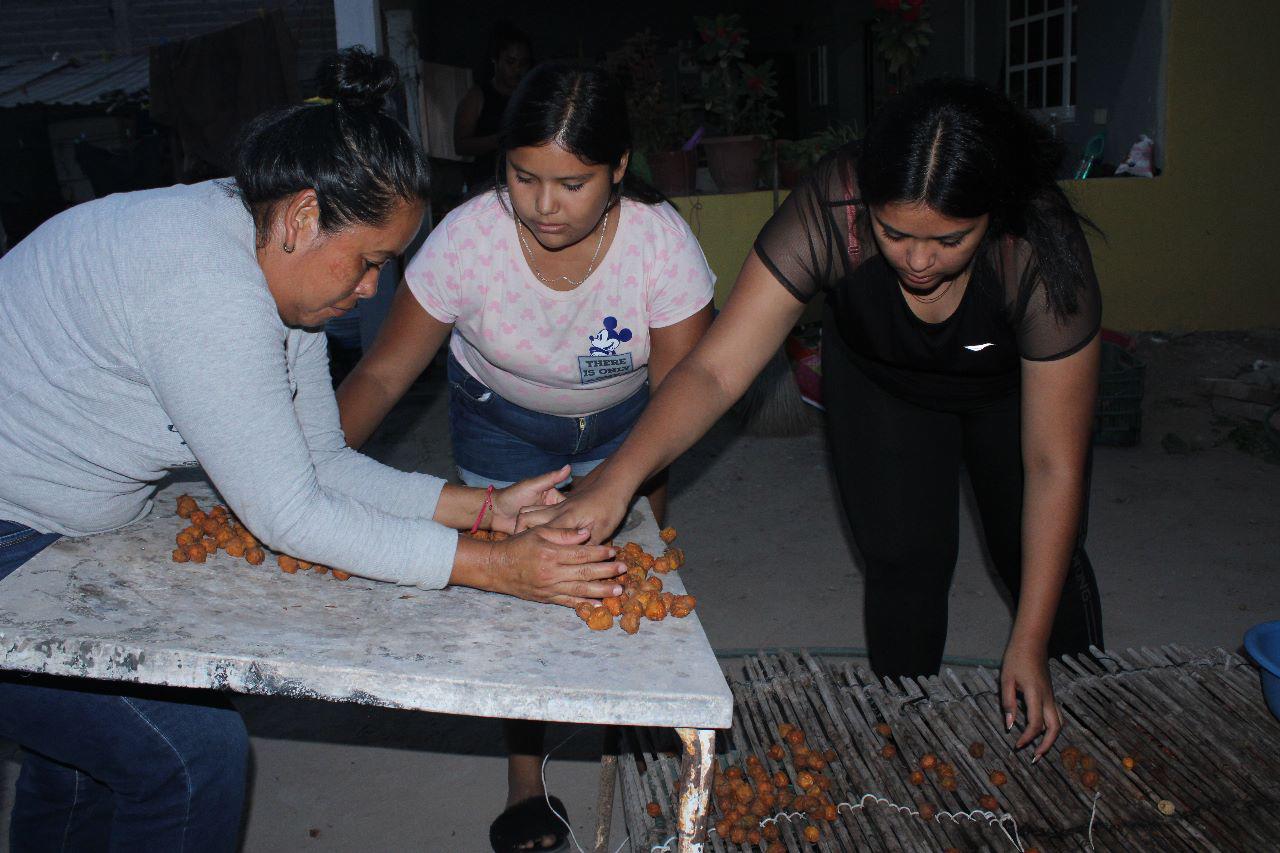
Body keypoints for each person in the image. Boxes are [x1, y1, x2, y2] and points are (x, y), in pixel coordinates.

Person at [0, 48, 626, 851]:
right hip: (11, 537)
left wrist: (483, 509)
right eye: (368, 262)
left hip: (45, 526)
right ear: (301, 216)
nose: (371, 289)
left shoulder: (266, 263)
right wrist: (496, 567)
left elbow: (320, 466)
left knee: (84, 762)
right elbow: (288, 514)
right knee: (191, 757)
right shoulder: (206, 286)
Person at [527, 77, 1105, 759]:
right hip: (881, 381)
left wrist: (1027, 642)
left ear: (994, 215)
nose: (919, 260)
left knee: (1034, 552)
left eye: (949, 239)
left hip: (1008, 392)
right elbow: (715, 370)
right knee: (902, 561)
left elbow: (1053, 462)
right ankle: (908, 733)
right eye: (895, 233)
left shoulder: (1035, 247)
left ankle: (1085, 699)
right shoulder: (831, 207)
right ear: (866, 205)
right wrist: (614, 481)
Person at [336, 61, 714, 853]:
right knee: (515, 593)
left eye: (572, 183)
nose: (544, 205)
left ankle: (618, 740)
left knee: (620, 586)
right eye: (523, 177)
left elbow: (688, 392)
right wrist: (299, 467)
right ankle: (524, 781)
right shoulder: (468, 239)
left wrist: (620, 485)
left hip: (629, 430)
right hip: (500, 423)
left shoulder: (660, 243)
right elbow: (380, 371)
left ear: (617, 170)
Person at [455, 22, 532, 189]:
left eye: (523, 63)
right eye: (510, 62)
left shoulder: (530, 97)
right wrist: (500, 139)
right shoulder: (477, 96)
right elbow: (461, 145)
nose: (517, 69)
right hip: (486, 186)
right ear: (495, 60)